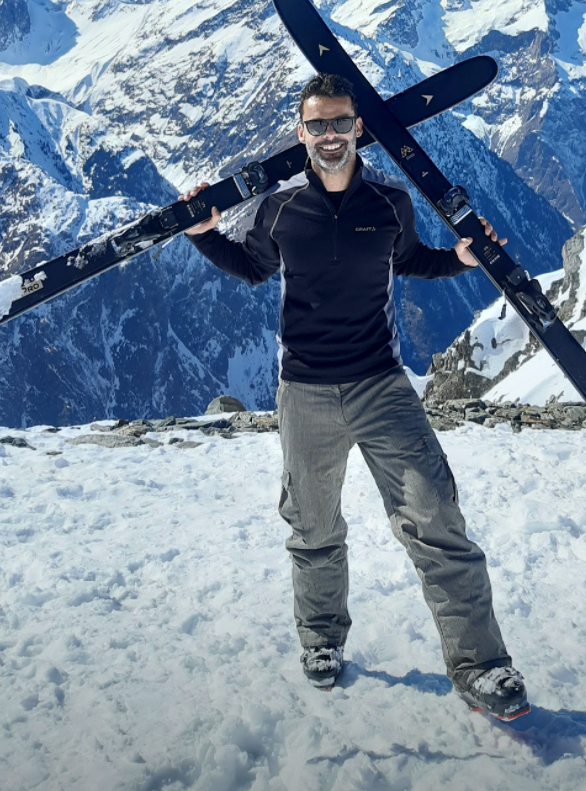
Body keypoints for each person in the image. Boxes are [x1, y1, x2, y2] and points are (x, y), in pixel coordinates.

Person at [182, 72, 529, 721]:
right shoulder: (279, 209)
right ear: (301, 132)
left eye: (341, 122)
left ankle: (483, 666)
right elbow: (254, 268)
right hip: (305, 393)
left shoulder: (390, 202)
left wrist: (460, 260)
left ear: (359, 128)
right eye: (318, 124)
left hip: (381, 386)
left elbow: (411, 260)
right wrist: (204, 234)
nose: (330, 135)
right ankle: (321, 640)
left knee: (435, 518)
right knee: (313, 527)